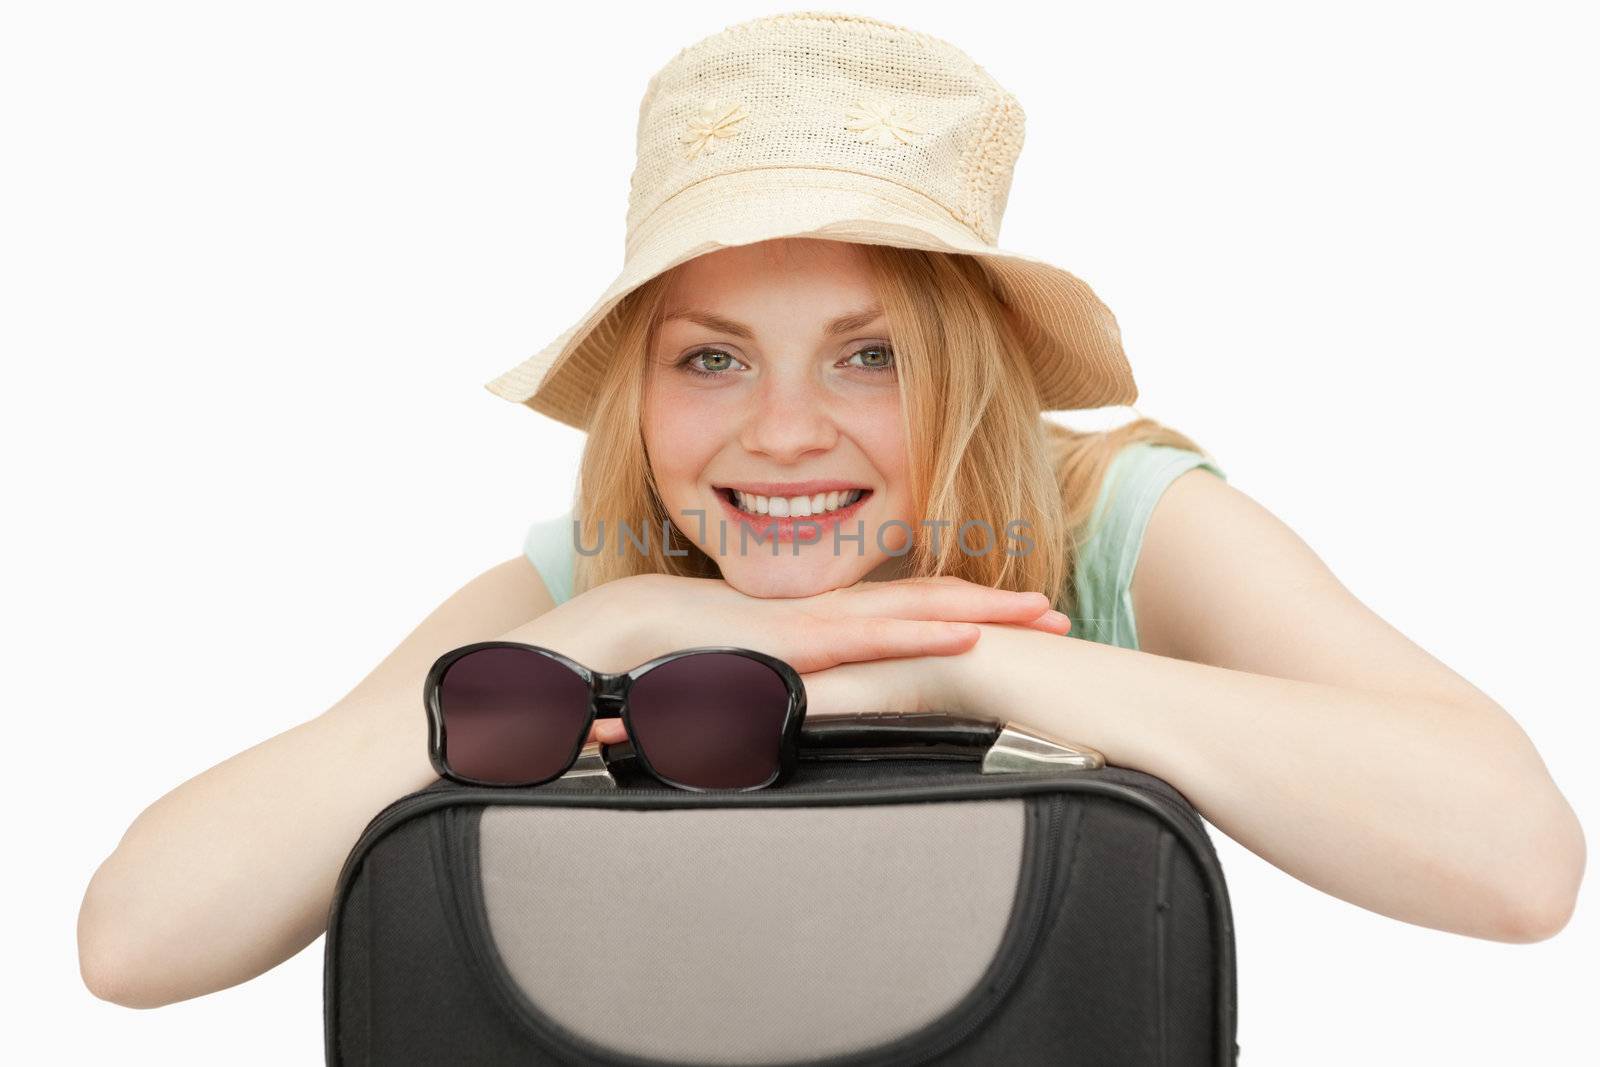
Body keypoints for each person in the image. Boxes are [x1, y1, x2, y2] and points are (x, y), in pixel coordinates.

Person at [78, 10, 1583, 1011]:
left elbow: (1519, 868)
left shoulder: (1117, 520)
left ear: (971, 374)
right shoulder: (589, 576)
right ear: (639, 395)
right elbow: (137, 945)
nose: (783, 431)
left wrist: (953, 663)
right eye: (712, 358)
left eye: (872, 355)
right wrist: (626, 622)